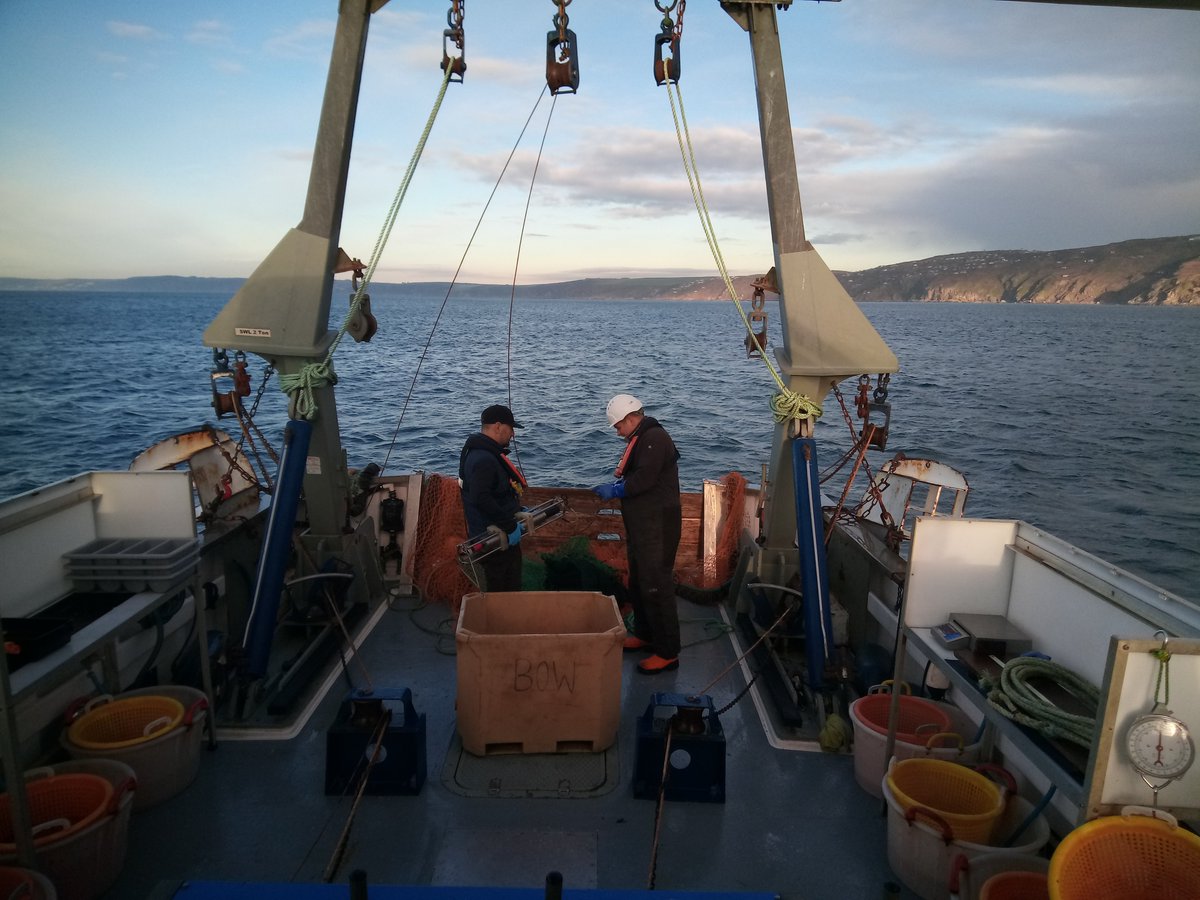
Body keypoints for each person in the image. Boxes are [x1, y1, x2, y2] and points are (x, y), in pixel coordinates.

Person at [592, 394, 682, 674]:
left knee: (657, 584)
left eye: (618, 427)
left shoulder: (655, 438)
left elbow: (644, 479)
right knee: (640, 581)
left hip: (658, 525)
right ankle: (645, 633)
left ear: (631, 419)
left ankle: (667, 652)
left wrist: (616, 490)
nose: (618, 433)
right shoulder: (642, 439)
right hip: (644, 525)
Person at [459, 404, 528, 592]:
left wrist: (516, 510)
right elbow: (480, 497)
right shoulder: (484, 459)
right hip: (494, 542)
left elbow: (494, 492)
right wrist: (510, 525)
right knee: (503, 590)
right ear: (498, 426)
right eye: (510, 428)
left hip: (494, 537)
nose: (512, 435)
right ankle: (502, 620)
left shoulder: (478, 452)